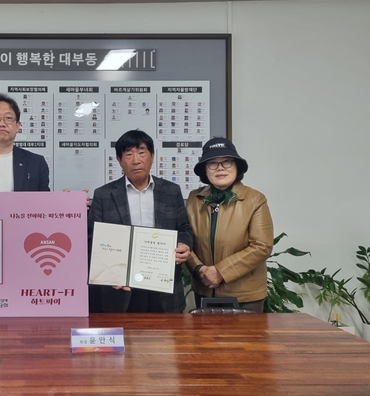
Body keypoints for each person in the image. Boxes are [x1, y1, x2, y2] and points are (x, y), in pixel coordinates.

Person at [88, 130, 193, 313]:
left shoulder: (171, 191)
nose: (136, 160)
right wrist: (110, 273)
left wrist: (184, 244)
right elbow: (93, 239)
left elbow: (184, 228)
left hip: (162, 285)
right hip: (121, 287)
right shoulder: (103, 195)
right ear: (119, 160)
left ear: (152, 156)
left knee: (166, 331)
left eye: (142, 152)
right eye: (128, 154)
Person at [186, 137, 273, 312]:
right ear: (205, 170)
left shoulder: (255, 199)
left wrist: (221, 272)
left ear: (236, 166)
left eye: (227, 161)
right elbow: (185, 239)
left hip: (245, 295)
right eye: (212, 163)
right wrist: (200, 269)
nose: (220, 168)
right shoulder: (194, 199)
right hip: (204, 290)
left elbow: (262, 246)